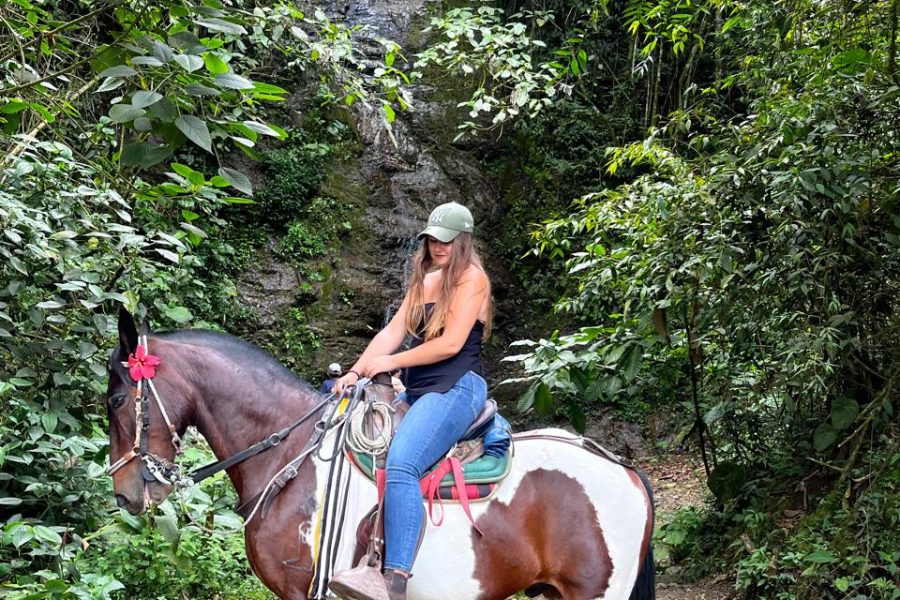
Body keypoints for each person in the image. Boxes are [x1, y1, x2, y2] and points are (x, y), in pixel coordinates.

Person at [328, 201, 492, 600]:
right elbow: (390, 333)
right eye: (432, 239)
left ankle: (393, 581)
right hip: (419, 390)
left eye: (447, 241)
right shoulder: (425, 281)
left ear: (464, 241)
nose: (438, 247)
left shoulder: (473, 279)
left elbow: (450, 344)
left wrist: (391, 363)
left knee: (402, 463)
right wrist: (354, 371)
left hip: (455, 388)